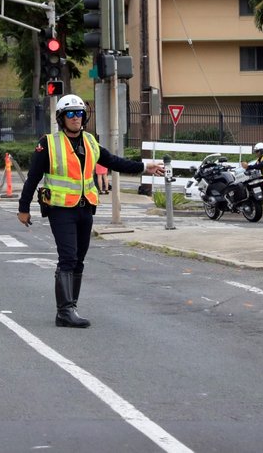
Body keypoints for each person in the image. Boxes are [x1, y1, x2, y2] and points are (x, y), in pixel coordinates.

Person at [17, 94, 165, 328]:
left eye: (79, 114)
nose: (76, 118)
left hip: (85, 209)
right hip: (61, 209)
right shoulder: (48, 143)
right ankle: (64, 312)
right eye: (70, 114)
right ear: (61, 118)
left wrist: (146, 166)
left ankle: (71, 306)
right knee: (67, 257)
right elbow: (33, 177)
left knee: (79, 259)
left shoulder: (90, 141)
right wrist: (23, 208)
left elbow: (115, 162)